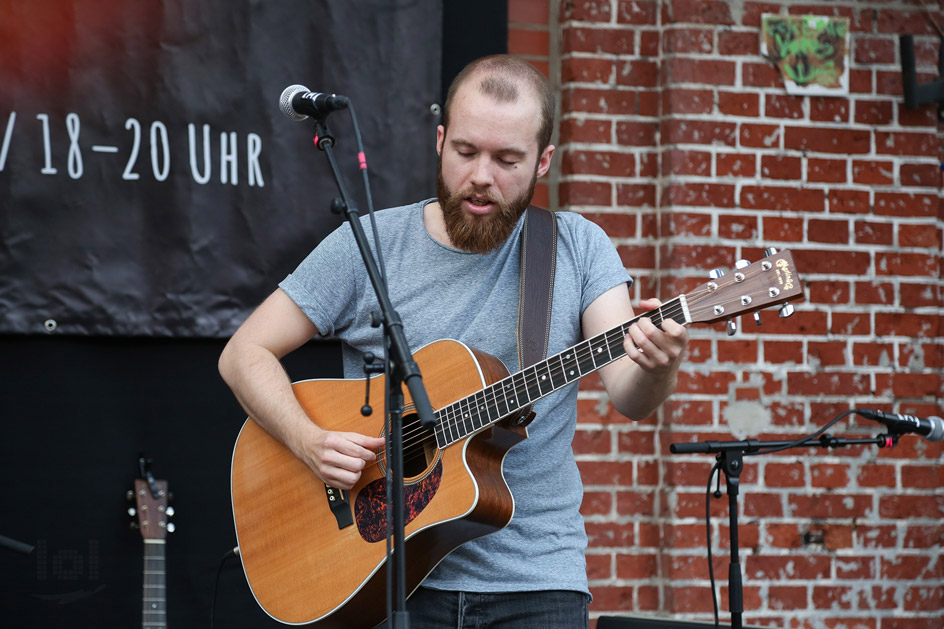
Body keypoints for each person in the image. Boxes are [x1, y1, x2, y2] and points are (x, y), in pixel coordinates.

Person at [219, 54, 688, 627]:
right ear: (440, 141)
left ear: (543, 162)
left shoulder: (577, 249)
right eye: (465, 152)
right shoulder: (368, 246)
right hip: (382, 575)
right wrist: (307, 439)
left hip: (536, 581)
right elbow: (244, 353)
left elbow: (629, 394)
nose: (482, 176)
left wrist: (659, 364)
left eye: (507, 159)